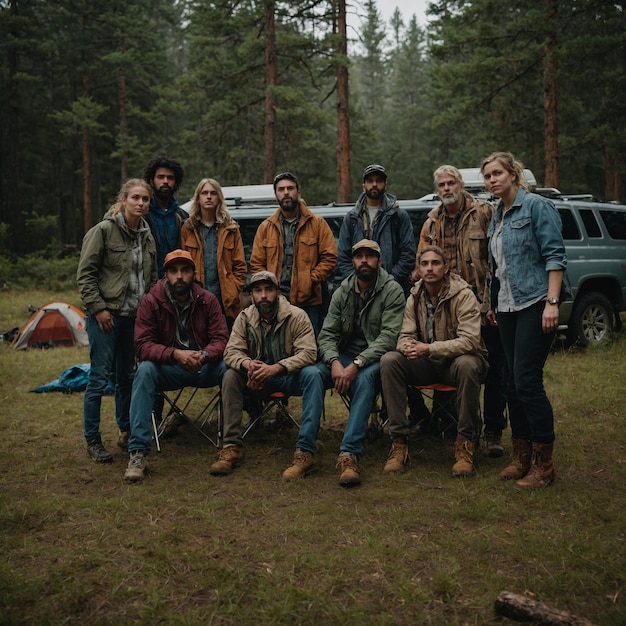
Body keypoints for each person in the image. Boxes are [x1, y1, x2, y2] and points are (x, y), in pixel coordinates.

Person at [481, 151, 570, 490]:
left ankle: (543, 464)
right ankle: (520, 456)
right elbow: (498, 269)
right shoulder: (496, 216)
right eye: (488, 175)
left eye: (497, 172)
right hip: (506, 308)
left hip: (535, 302)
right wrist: (493, 303)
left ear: (512, 173)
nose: (492, 179)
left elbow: (554, 255)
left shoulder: (536, 207)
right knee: (509, 383)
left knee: (527, 380)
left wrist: (551, 302)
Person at [417, 165, 507, 456]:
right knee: (447, 360)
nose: (446, 188)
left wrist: (494, 301)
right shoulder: (431, 222)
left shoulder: (484, 212)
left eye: (451, 183)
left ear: (461, 185)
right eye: (441, 184)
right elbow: (422, 264)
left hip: (483, 306)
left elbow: (499, 260)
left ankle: (493, 431)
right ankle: (450, 424)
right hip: (449, 306)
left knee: (494, 370)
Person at [380, 246, 488, 477]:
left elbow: (470, 341)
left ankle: (464, 444)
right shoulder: (415, 295)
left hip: (456, 363)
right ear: (418, 269)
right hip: (427, 363)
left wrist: (428, 348)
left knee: (468, 364)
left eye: (436, 263)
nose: (430, 268)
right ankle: (399, 441)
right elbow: (405, 334)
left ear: (446, 268)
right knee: (390, 360)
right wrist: (407, 347)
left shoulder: (464, 294)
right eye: (425, 263)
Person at [124, 249, 229, 482]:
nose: (179, 276)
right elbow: (142, 345)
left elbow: (222, 340)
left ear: (193, 273)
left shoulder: (208, 300)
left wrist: (203, 355)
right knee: (144, 370)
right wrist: (175, 354)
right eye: (173, 271)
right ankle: (138, 452)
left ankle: (231, 443)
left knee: (230, 369)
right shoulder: (151, 301)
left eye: (185, 270)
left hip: (204, 366)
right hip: (169, 368)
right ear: (166, 275)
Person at [208, 271, 320, 480]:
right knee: (231, 374)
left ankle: (305, 452)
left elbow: (309, 352)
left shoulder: (297, 315)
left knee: (313, 374)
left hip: (287, 376)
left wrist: (278, 367)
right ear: (252, 295)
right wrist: (248, 364)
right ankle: (232, 446)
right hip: (257, 377)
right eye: (258, 291)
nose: (264, 296)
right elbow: (231, 351)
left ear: (277, 292)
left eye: (268, 290)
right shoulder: (244, 317)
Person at [77, 179, 157, 463]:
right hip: (106, 318)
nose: (140, 203)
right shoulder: (103, 231)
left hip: (133, 320)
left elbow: (152, 279)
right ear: (123, 200)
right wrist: (99, 309)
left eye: (145, 199)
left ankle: (125, 430)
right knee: (98, 379)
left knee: (126, 378)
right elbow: (85, 275)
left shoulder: (147, 236)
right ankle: (93, 440)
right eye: (135, 197)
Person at [315, 239, 406, 487]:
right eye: (359, 256)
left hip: (373, 357)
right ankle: (305, 450)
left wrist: (357, 363)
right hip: (343, 357)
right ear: (353, 261)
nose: (364, 260)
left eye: (370, 256)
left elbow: (390, 336)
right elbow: (327, 334)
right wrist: (334, 361)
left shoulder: (392, 290)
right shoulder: (342, 291)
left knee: (365, 379)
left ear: (379, 260)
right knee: (312, 374)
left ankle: (349, 454)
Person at [250, 172, 337, 335]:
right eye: (281, 189)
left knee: (308, 349)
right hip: (273, 302)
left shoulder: (317, 224)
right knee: (276, 349)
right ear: (276, 194)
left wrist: (309, 280)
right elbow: (256, 264)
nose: (286, 192)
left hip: (308, 301)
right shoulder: (265, 227)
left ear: (298, 192)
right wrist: (266, 289)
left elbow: (330, 258)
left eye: (290, 188)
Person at [336, 164, 416, 294]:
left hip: (393, 290)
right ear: (363, 186)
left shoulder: (398, 216)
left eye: (379, 181)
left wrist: (390, 281)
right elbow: (343, 256)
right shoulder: (352, 218)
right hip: (359, 291)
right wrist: (357, 282)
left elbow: (408, 254)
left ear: (385, 185)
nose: (374, 184)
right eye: (370, 181)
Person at [181, 178, 247, 327]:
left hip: (226, 302)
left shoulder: (231, 229)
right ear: (198, 198)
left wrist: (233, 290)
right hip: (195, 301)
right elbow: (182, 265)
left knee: (228, 346)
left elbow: (240, 267)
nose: (209, 197)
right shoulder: (188, 228)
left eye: (213, 193)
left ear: (219, 198)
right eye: (204, 193)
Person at [143, 155, 187, 278]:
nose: (165, 181)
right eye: (160, 177)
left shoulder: (183, 217)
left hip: (177, 283)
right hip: (149, 284)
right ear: (151, 180)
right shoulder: (142, 215)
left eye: (170, 178)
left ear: (176, 182)